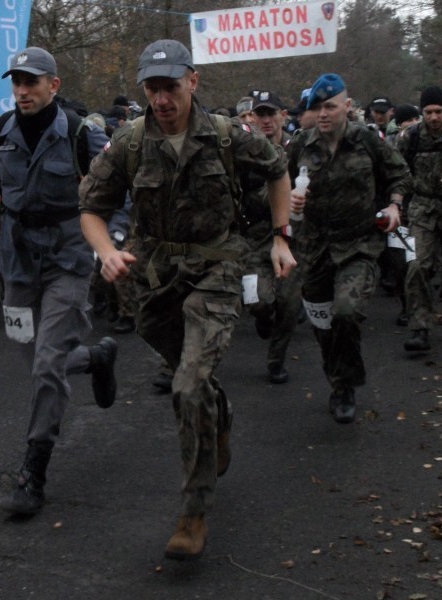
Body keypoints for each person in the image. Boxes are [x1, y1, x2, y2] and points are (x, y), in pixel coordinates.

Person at [79, 39, 295, 561]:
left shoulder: (227, 135)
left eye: (170, 87)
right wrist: (106, 251)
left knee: (188, 383)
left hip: (218, 266)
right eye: (152, 89)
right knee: (190, 377)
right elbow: (90, 208)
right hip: (155, 278)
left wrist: (282, 235)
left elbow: (277, 170)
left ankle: (194, 510)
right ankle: (216, 417)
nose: (161, 99)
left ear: (192, 82)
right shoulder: (128, 143)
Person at [0, 46, 118, 517]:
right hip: (17, 261)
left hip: (69, 258)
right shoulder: (0, 133)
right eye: (17, 83)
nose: (22, 91)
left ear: (53, 86)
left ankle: (33, 470)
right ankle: (97, 358)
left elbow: (117, 186)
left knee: (46, 366)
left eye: (31, 82)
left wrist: (113, 240)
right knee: (33, 352)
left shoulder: (84, 133)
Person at [287, 74, 410, 423]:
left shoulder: (368, 142)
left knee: (346, 311)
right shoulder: (301, 146)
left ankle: (345, 386)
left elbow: (400, 175)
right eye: (317, 107)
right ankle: (337, 377)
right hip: (313, 249)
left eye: (330, 106)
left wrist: (394, 206)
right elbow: (277, 184)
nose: (323, 114)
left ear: (347, 106)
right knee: (323, 324)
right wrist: (289, 201)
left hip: (358, 245)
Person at [240, 90, 303, 384]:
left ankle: (276, 361)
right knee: (257, 300)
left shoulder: (298, 148)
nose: (266, 120)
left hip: (291, 240)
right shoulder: (243, 151)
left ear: (283, 116)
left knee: (289, 306)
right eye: (260, 114)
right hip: (253, 240)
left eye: (271, 113)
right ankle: (262, 316)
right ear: (252, 117)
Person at [398, 86, 442, 352]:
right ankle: (419, 327)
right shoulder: (410, 138)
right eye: (428, 112)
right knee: (418, 265)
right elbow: (397, 172)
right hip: (422, 208)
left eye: (438, 111)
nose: (433, 117)